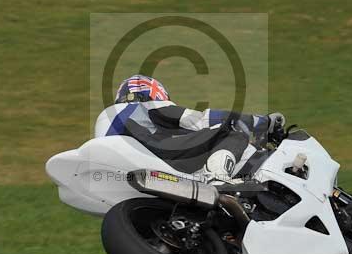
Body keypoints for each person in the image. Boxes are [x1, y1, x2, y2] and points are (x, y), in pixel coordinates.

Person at [96, 74, 285, 183]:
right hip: (159, 155)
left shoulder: (108, 121)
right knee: (231, 131)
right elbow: (201, 120)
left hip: (128, 170)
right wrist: (261, 122)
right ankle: (217, 177)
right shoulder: (143, 107)